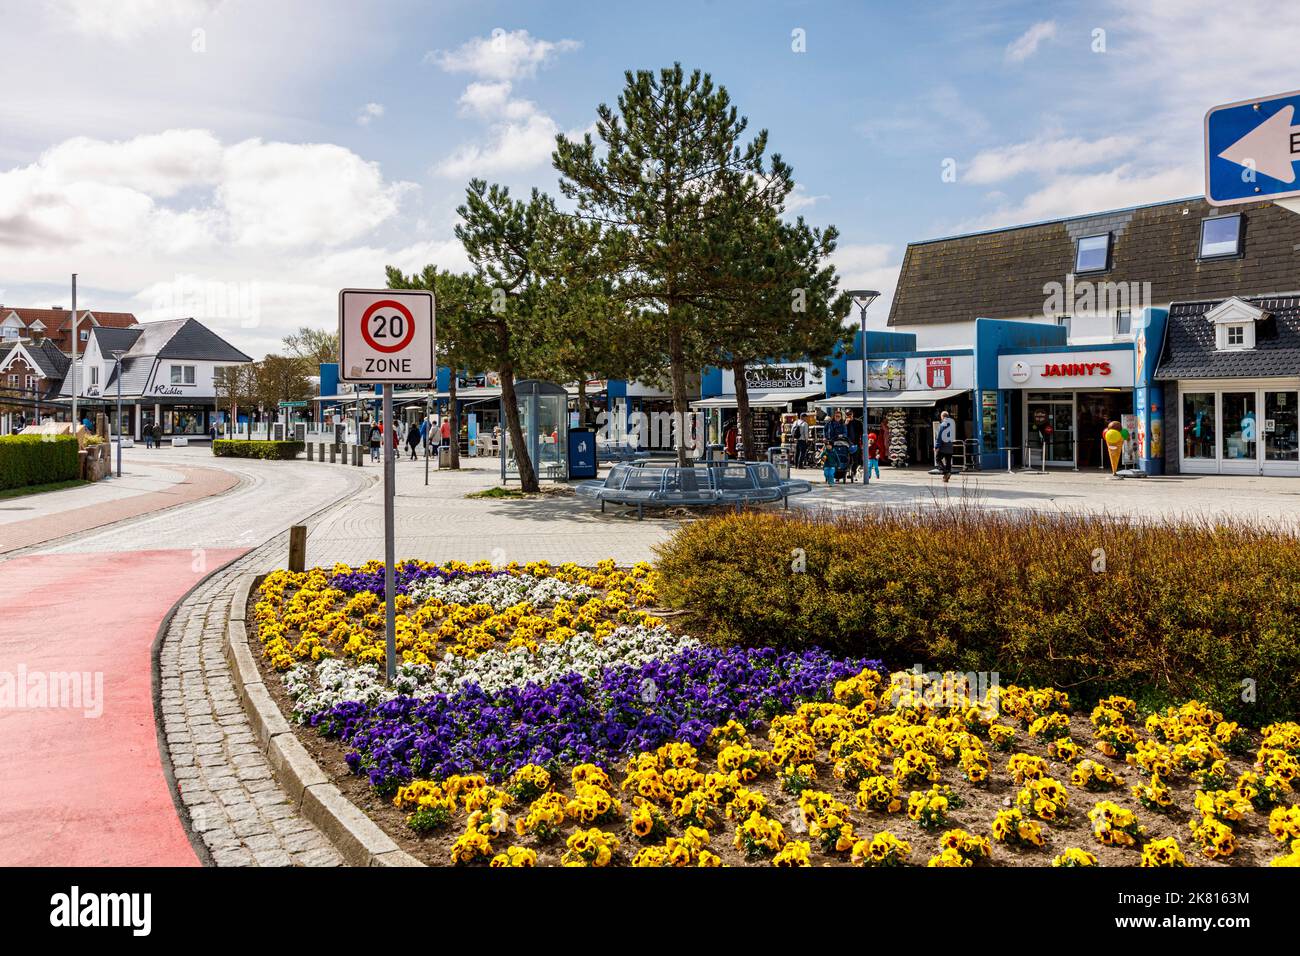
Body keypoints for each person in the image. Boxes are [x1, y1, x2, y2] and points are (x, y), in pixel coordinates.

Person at [935, 410, 956, 483]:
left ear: (942, 417)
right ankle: (946, 476)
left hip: (943, 446)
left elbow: (939, 437)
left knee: (938, 459)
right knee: (948, 461)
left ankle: (945, 472)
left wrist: (937, 446)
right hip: (950, 446)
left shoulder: (942, 425)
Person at [845, 410, 864, 482]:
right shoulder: (844, 422)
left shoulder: (858, 422)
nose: (849, 416)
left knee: (855, 459)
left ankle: (853, 472)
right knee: (846, 459)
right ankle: (845, 472)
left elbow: (862, 433)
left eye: (850, 414)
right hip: (846, 443)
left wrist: (862, 443)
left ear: (853, 414)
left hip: (855, 443)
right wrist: (845, 424)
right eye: (847, 414)